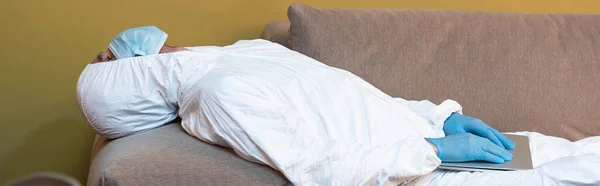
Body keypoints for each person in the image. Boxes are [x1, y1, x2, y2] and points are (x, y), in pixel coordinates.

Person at [77, 26, 600, 185]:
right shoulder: (215, 97)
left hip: (441, 145)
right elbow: (317, 167)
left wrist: (438, 116)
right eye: (157, 50)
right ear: (142, 70)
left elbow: (355, 99)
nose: (170, 45)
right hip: (427, 173)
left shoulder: (243, 56)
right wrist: (432, 149)